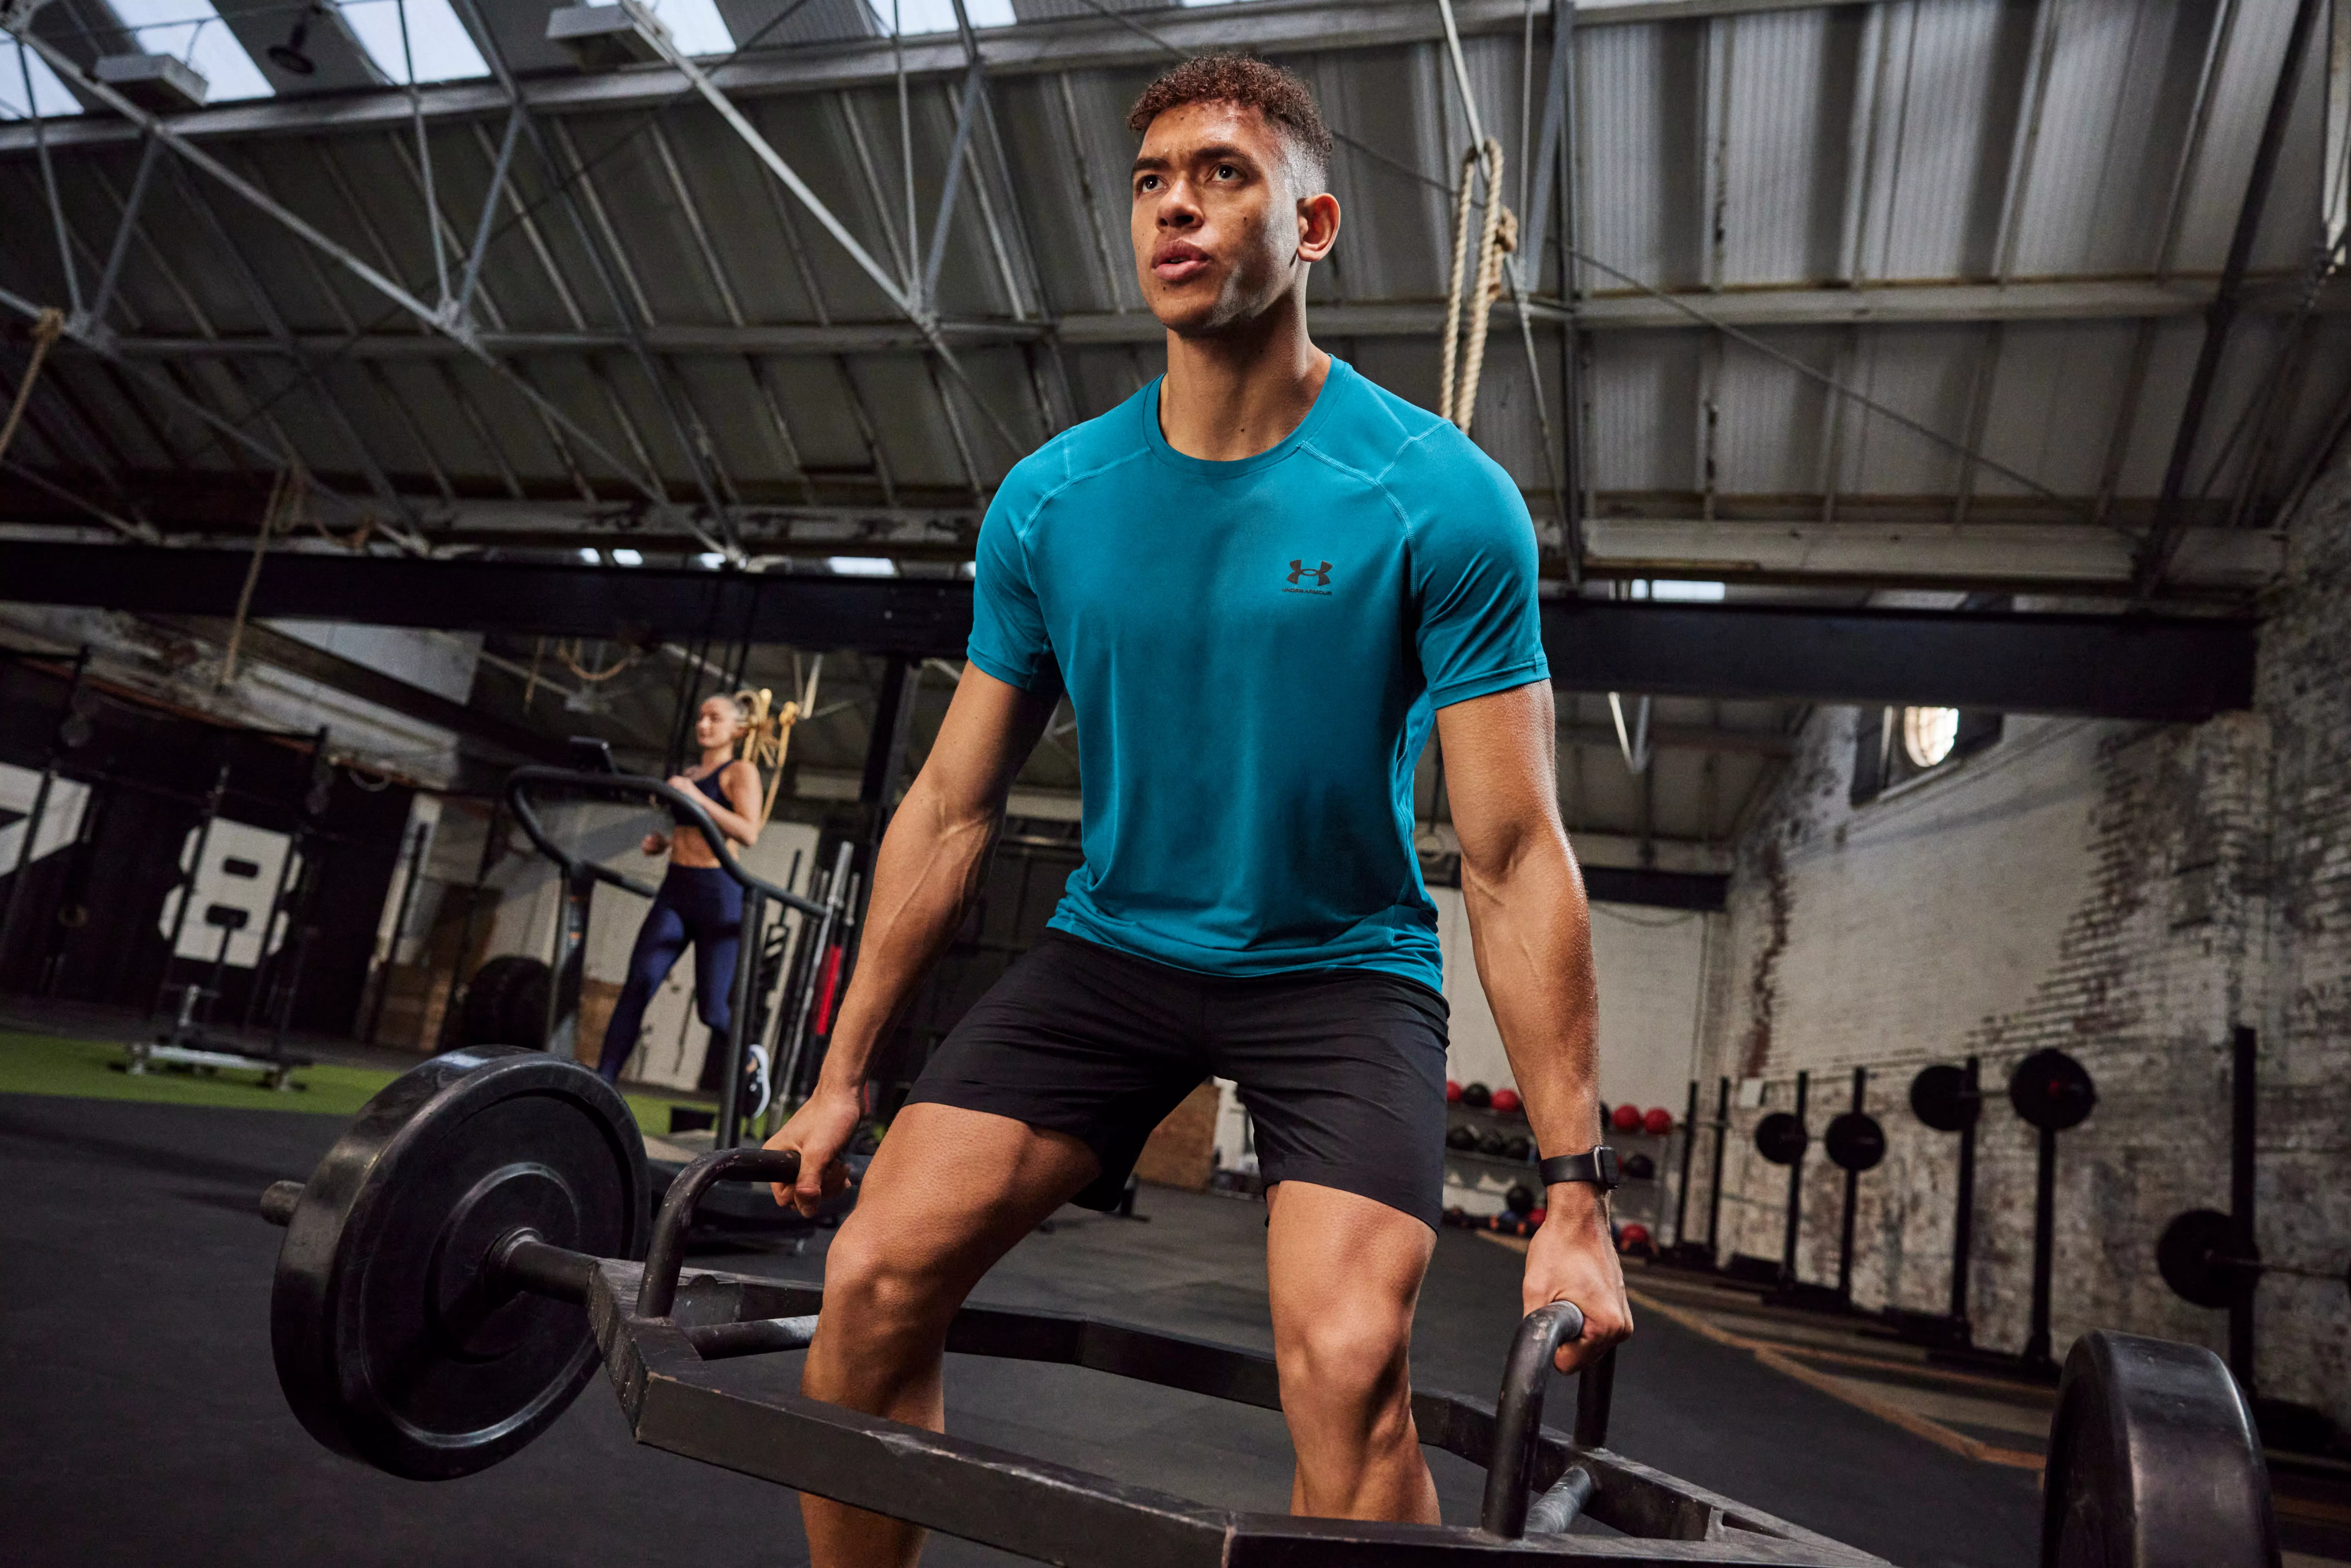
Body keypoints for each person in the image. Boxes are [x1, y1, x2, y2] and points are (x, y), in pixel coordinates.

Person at [763, 54, 1632, 1565]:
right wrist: (841, 1078)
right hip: (1113, 954)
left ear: (1314, 224)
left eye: (1222, 173)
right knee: (871, 1281)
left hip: (1340, 968)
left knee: (1351, 1370)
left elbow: (1505, 854)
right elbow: (952, 808)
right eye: (1154, 179)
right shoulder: (1050, 502)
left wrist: (1574, 1194)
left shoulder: (1438, 495)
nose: (1176, 203)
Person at [596, 692, 768, 1101]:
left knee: (712, 1012)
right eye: (701, 718)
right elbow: (690, 831)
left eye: (715, 719)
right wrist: (663, 843)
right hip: (676, 889)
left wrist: (695, 797)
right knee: (639, 983)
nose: (704, 726)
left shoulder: (739, 772)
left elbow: (749, 832)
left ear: (737, 730)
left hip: (719, 895)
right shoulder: (690, 772)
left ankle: (750, 1057)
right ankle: (601, 1086)